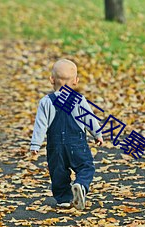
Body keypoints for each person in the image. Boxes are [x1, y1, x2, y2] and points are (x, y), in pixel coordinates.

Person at [30, 59, 103, 210]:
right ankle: (81, 185)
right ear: (76, 81)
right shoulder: (78, 100)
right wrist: (97, 134)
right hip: (76, 143)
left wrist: (35, 144)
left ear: (52, 79)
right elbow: (88, 118)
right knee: (86, 167)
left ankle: (63, 199)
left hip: (55, 146)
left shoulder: (46, 102)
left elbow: (40, 125)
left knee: (58, 172)